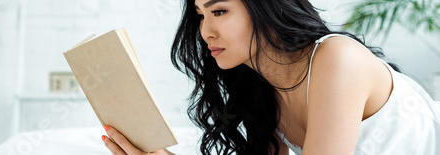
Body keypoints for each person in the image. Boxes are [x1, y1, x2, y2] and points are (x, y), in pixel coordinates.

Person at [101, 0, 440, 154]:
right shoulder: (261, 89)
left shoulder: (336, 58)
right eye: (200, 14)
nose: (205, 30)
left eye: (219, 11)